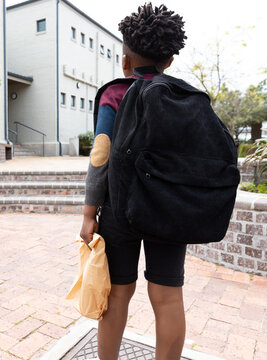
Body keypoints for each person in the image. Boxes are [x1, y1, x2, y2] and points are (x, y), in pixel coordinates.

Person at [79, 3, 188, 360]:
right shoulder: (184, 97)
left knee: (118, 293)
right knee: (168, 295)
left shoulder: (114, 93)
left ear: (124, 60)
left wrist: (88, 213)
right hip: (170, 212)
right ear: (170, 60)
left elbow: (101, 158)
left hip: (118, 210)